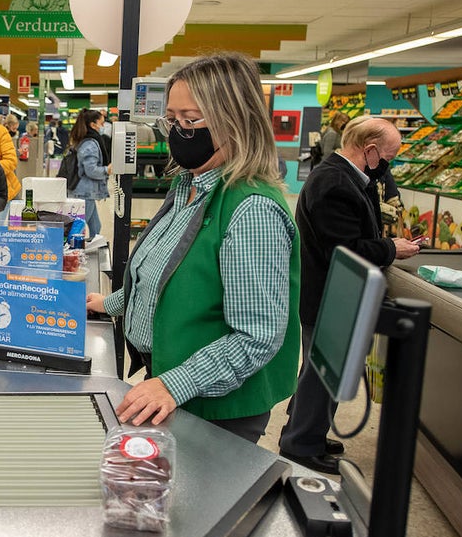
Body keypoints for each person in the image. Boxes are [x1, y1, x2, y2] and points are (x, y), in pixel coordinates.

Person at [86, 52, 299, 443]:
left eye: (192, 120)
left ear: (235, 120)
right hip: (172, 386)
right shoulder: (190, 186)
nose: (180, 132)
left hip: (215, 409)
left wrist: (173, 384)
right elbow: (162, 278)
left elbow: (257, 336)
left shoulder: (250, 209)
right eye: (173, 119)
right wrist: (112, 304)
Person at [278, 116, 420, 474]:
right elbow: (343, 250)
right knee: (323, 373)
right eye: (389, 156)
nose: (389, 165)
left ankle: (305, 428)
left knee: (317, 368)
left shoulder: (343, 177)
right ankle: (301, 443)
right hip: (329, 293)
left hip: (326, 291)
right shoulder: (335, 184)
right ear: (370, 151)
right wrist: (391, 248)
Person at [68, 109, 112, 239]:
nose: (103, 127)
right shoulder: (90, 144)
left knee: (95, 227)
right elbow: (91, 170)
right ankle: (68, 254)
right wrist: (106, 170)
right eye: (101, 123)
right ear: (93, 125)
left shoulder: (87, 140)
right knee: (77, 228)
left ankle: (94, 249)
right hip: (84, 193)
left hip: (87, 192)